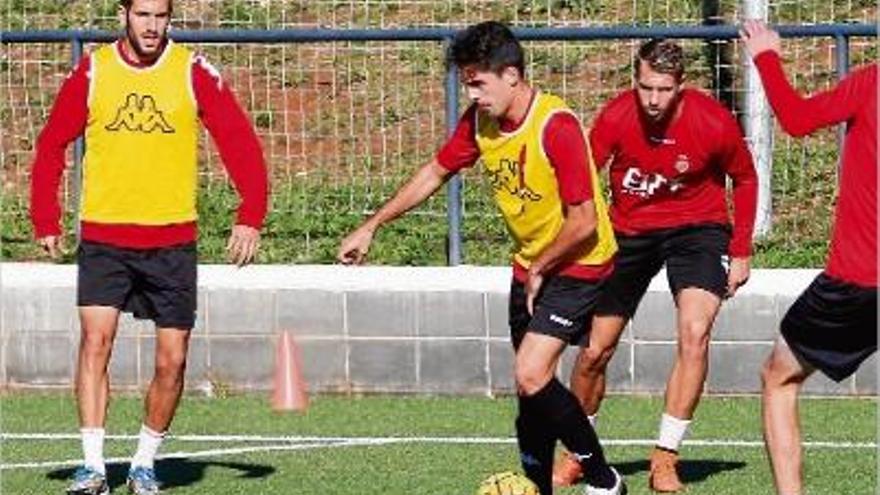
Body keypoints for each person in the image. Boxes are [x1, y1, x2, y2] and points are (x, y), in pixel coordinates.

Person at [337, 20, 625, 495]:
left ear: (511, 75)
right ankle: (538, 488)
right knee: (530, 393)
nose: (471, 94)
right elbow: (435, 170)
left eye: (478, 82)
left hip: (580, 262)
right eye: (466, 82)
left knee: (532, 372)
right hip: (532, 263)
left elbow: (585, 222)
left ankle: (604, 481)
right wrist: (373, 225)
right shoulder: (480, 123)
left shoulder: (557, 126)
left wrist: (541, 266)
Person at [29, 1, 268, 493]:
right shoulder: (94, 70)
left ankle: (143, 462)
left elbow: (239, 140)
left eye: (161, 15)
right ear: (124, 14)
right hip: (104, 236)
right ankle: (93, 466)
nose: (152, 25)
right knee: (95, 343)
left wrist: (251, 214)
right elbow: (52, 142)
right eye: (143, 14)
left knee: (172, 359)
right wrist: (45, 215)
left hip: (172, 240)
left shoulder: (193, 71)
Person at [552, 39, 758, 492]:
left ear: (680, 86)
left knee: (695, 333)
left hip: (698, 232)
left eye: (664, 90)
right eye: (645, 87)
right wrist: (568, 244)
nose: (653, 99)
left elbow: (744, 178)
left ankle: (665, 456)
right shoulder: (616, 117)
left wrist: (740, 250)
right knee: (593, 352)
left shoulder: (712, 121)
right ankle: (577, 453)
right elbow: (581, 180)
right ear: (635, 80)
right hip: (627, 233)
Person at [739, 20, 877, 495]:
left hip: (858, 282)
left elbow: (797, 120)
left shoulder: (872, 83)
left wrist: (765, 55)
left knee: (779, 377)